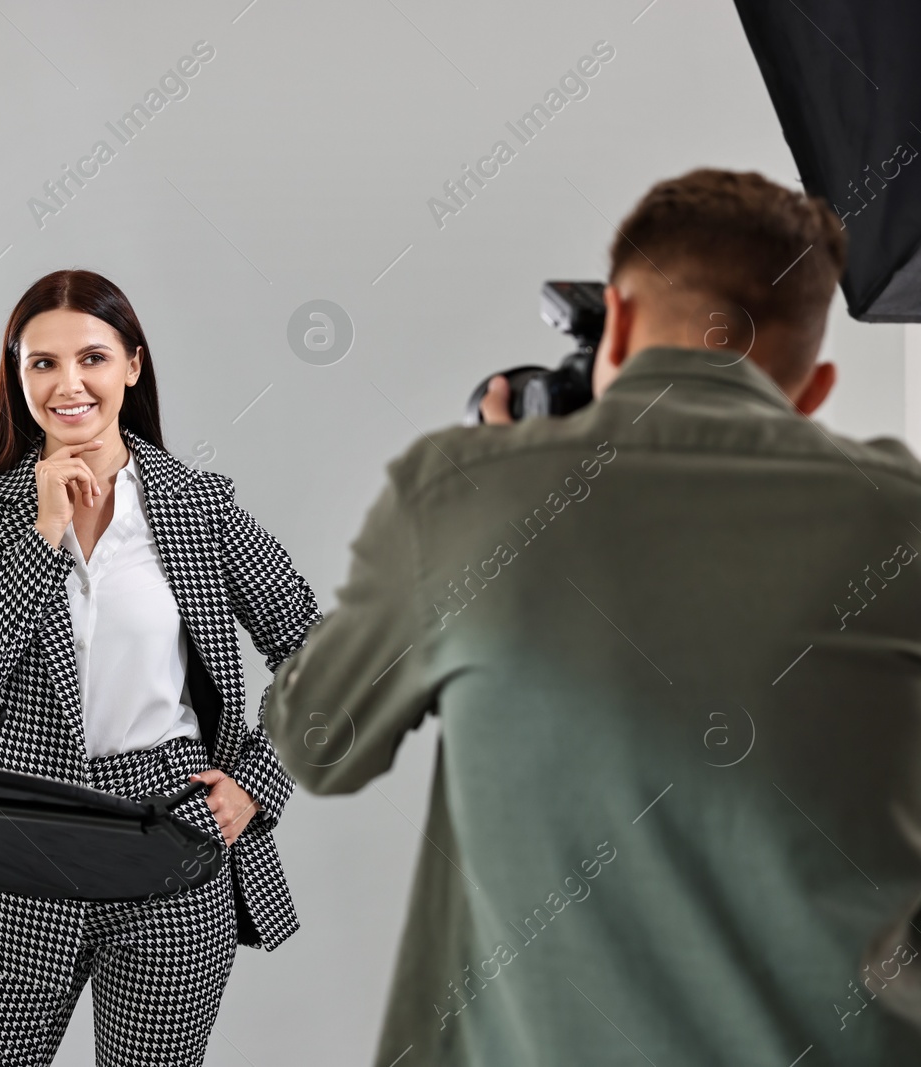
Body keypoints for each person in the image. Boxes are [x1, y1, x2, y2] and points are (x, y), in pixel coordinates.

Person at [263, 168, 921, 1064]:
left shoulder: (460, 493)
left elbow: (318, 743)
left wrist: (482, 489)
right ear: (813, 389)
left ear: (613, 318)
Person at [0, 268, 322, 1066]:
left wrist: (257, 783)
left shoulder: (196, 507)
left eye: (92, 358)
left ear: (132, 365)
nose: (69, 384)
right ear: (16, 374)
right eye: (43, 363)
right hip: (13, 850)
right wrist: (43, 532)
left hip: (169, 841)